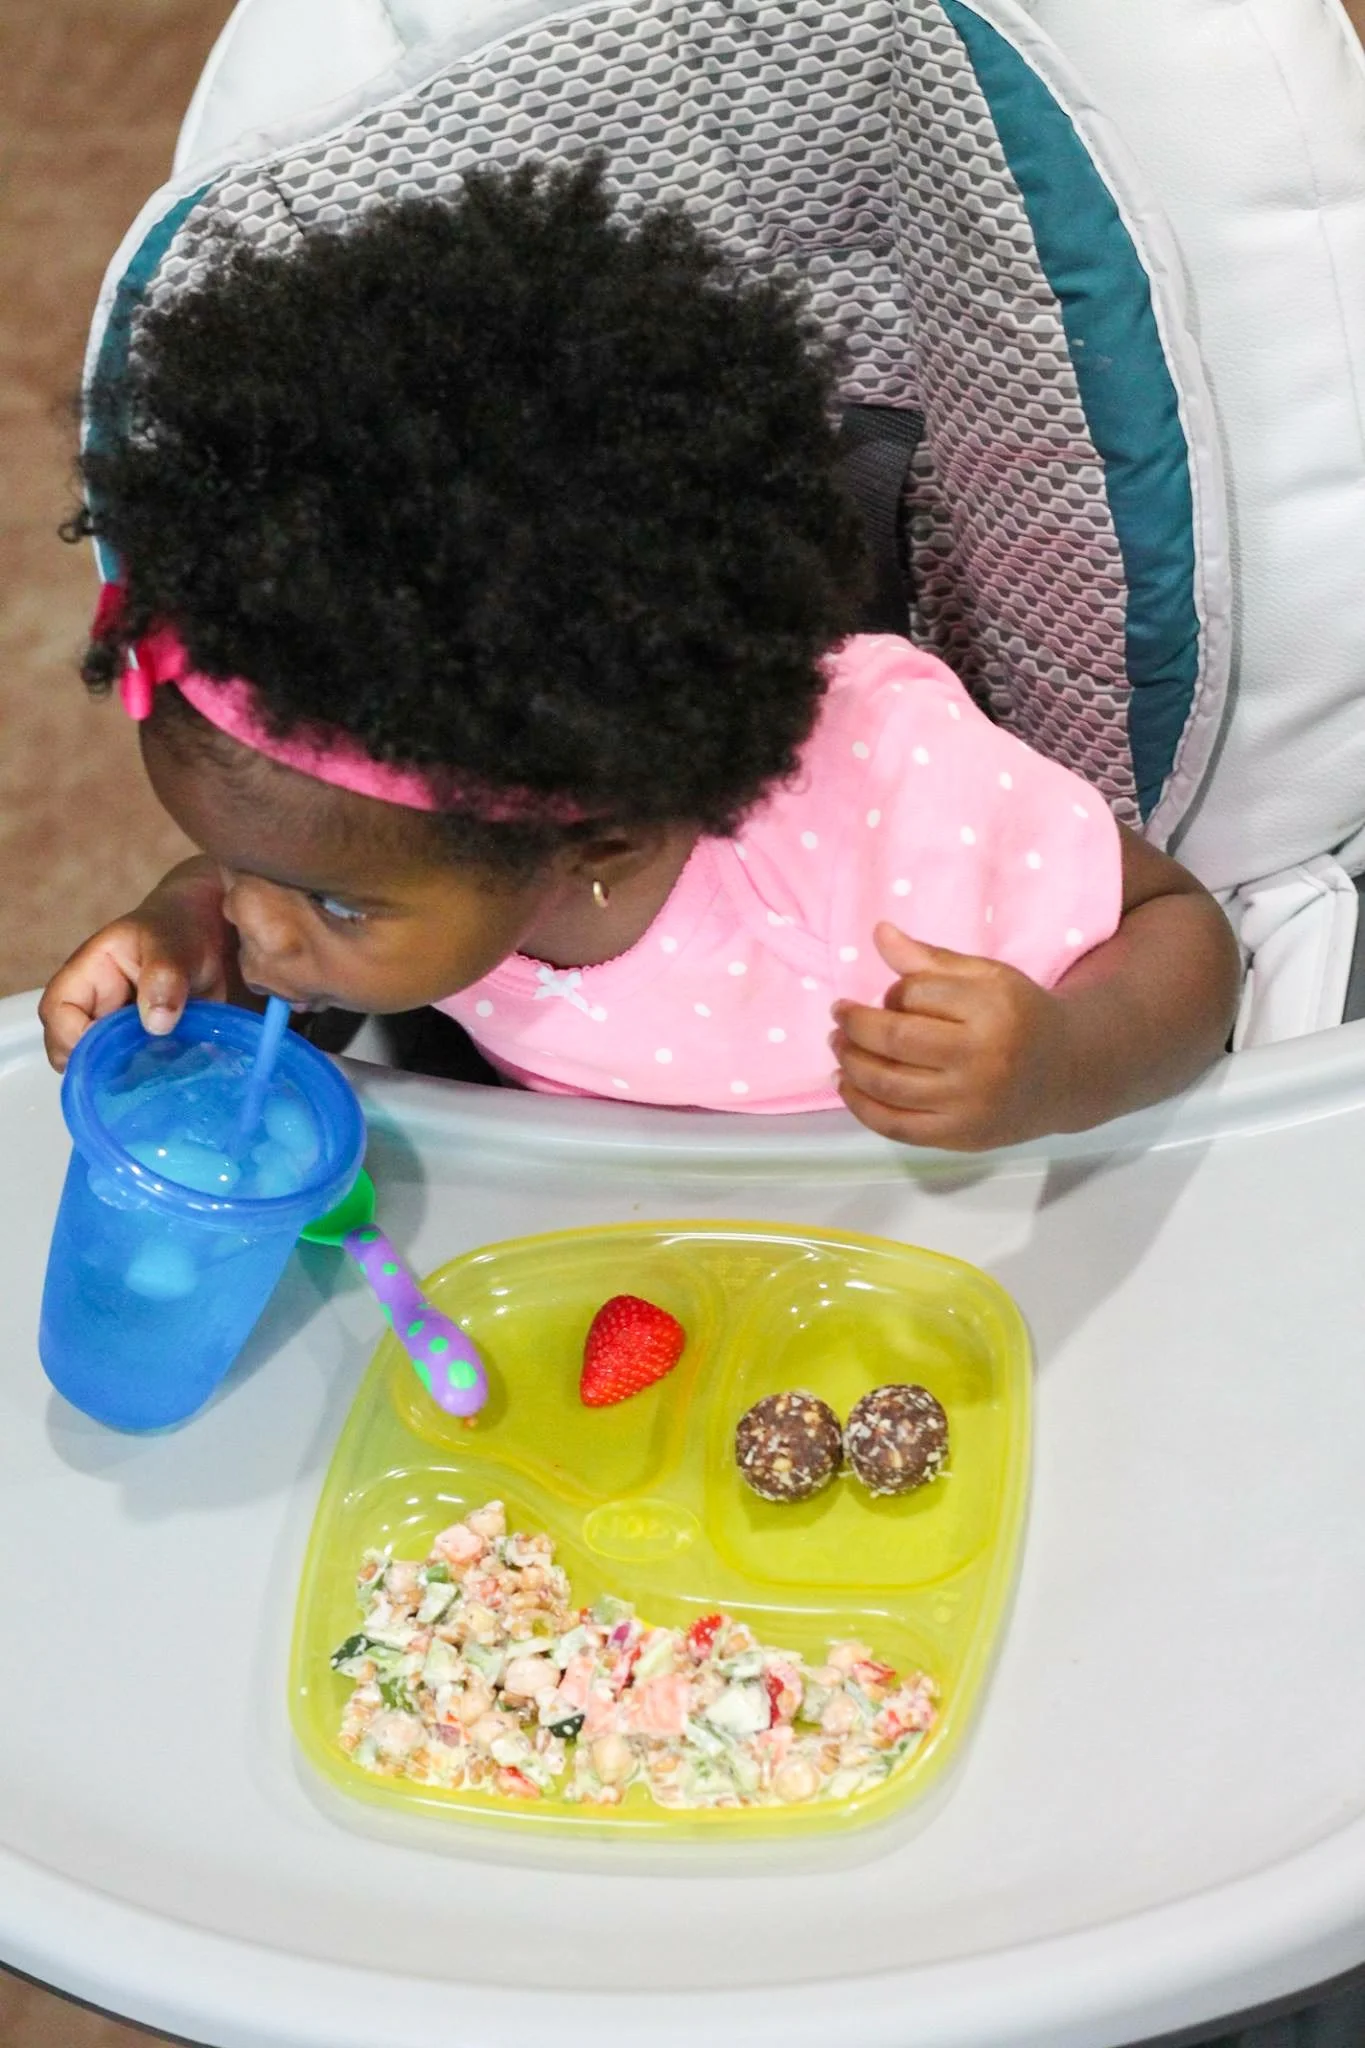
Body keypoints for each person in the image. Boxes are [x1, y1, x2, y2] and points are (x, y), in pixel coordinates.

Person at [40, 157, 1240, 1152]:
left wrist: (1059, 1062)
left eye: (329, 902)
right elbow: (276, 920)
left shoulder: (883, 801)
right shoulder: (363, 853)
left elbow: (1185, 933)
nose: (264, 927)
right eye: (228, 864)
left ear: (594, 839)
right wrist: (185, 940)